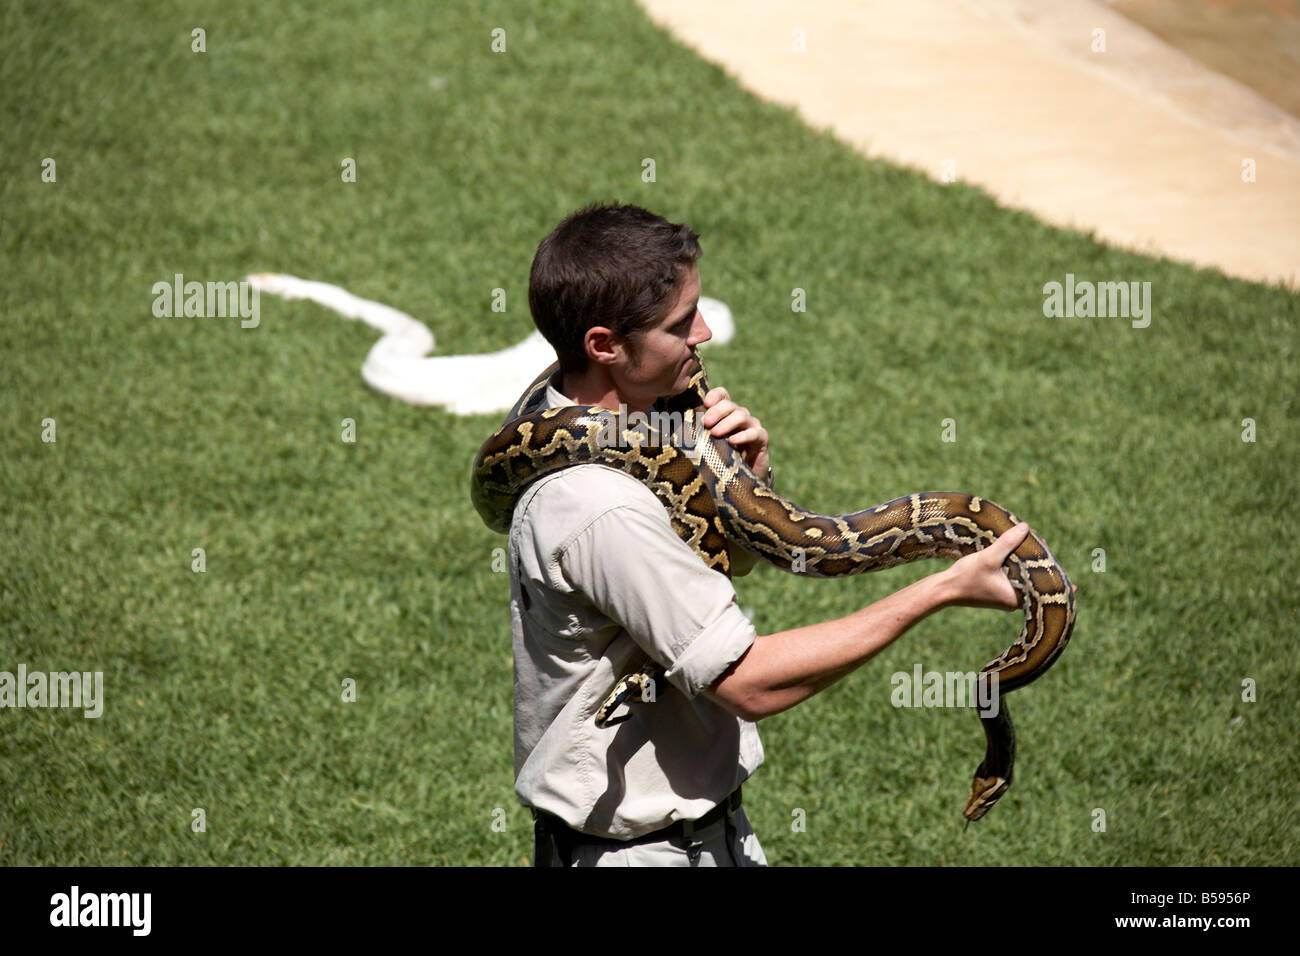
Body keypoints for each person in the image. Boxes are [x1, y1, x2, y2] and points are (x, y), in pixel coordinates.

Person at [508, 201, 1055, 866]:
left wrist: (745, 489)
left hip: (706, 835)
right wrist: (939, 591)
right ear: (604, 345)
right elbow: (748, 683)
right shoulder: (601, 506)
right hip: (640, 854)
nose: (705, 334)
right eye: (682, 324)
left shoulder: (654, 428)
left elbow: (707, 573)